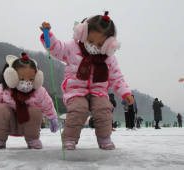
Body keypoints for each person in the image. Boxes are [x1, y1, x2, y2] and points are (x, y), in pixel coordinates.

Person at [40, 11, 134, 150]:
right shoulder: (72, 48)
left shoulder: (109, 58)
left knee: (104, 109)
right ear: (82, 34)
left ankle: (104, 138)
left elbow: (117, 78)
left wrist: (125, 93)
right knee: (79, 109)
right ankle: (70, 139)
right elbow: (57, 49)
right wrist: (49, 36)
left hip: (99, 91)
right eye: (91, 41)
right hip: (75, 90)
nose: (94, 46)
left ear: (109, 44)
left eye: (100, 43)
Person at [0, 52, 60, 150]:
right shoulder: (2, 90)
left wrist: (53, 120)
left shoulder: (40, 92)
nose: (27, 83)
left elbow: (48, 106)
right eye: (22, 78)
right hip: (6, 126)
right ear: (12, 76)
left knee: (35, 110)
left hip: (28, 127)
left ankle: (33, 139)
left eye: (31, 79)